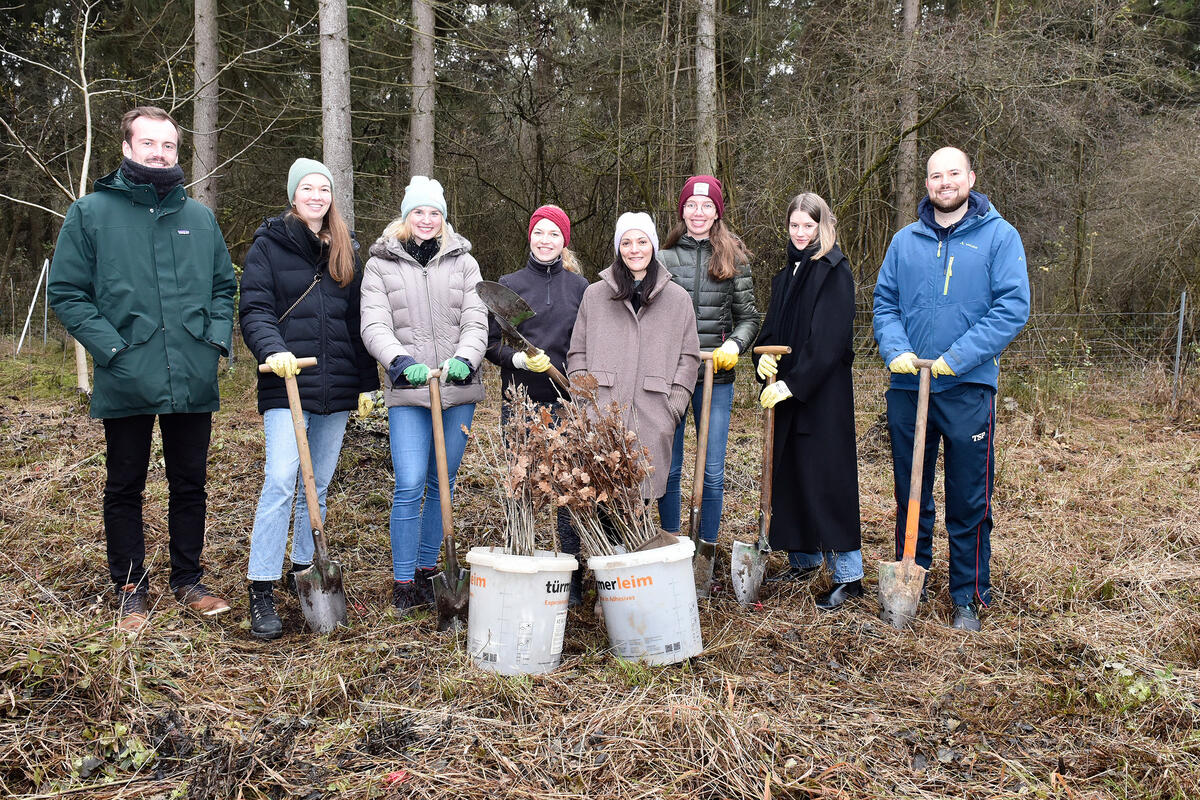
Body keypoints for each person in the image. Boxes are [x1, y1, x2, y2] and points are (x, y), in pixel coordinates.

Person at [48, 106, 237, 633]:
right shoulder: (90, 213)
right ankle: (131, 586)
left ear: (179, 151)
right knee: (126, 483)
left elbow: (224, 287)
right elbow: (66, 291)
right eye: (149, 144)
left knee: (190, 482)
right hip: (127, 371)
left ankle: (188, 579)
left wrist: (213, 340)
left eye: (169, 146)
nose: (160, 153)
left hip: (192, 375)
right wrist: (112, 349)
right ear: (128, 149)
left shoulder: (198, 218)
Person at [873, 146, 1030, 631]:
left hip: (967, 390)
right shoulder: (905, 241)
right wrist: (895, 349)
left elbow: (1011, 307)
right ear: (926, 184)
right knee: (911, 495)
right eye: (936, 175)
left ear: (971, 178)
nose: (945, 183)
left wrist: (955, 359)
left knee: (968, 499)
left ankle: (968, 595)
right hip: (908, 387)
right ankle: (910, 584)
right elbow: (885, 303)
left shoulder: (999, 238)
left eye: (954, 174)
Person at [238, 158, 379, 639]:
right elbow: (254, 308)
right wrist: (273, 351)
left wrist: (366, 387)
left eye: (324, 189)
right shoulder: (268, 245)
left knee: (314, 487)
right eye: (308, 189)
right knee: (280, 480)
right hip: (287, 381)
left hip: (334, 385)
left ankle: (304, 570)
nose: (317, 196)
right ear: (294, 195)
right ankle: (260, 586)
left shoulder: (345, 248)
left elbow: (357, 324)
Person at [360, 175, 488, 615]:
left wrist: (466, 358)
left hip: (457, 388)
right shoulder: (380, 264)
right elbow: (374, 325)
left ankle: (428, 569)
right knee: (410, 482)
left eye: (435, 212)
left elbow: (477, 319)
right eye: (419, 211)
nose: (427, 219)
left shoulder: (465, 262)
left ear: (444, 218)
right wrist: (399, 362)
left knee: (442, 484)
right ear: (406, 215)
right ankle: (402, 580)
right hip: (409, 390)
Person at [753, 193, 863, 610]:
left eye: (809, 226)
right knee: (793, 475)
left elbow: (830, 341)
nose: (801, 233)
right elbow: (770, 331)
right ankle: (803, 559)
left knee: (828, 479)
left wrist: (794, 384)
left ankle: (850, 576)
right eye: (795, 226)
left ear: (823, 226)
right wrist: (761, 359)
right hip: (786, 396)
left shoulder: (834, 272)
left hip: (822, 397)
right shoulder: (786, 276)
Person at [484, 205, 589, 605]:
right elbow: (492, 344)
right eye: (539, 232)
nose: (545, 240)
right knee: (521, 484)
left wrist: (575, 378)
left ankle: (571, 570)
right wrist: (519, 360)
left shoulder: (580, 288)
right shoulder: (510, 286)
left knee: (567, 488)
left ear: (565, 240)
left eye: (554, 234)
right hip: (521, 401)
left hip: (566, 401)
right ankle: (521, 561)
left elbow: (586, 343)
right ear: (530, 235)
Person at [655, 176, 759, 578]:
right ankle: (668, 544)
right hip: (671, 380)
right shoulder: (662, 258)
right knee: (670, 466)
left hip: (717, 379)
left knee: (712, 469)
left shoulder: (734, 258)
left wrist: (735, 344)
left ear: (717, 212)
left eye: (707, 206)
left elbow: (749, 317)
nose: (699, 213)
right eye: (692, 206)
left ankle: (705, 555)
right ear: (682, 210)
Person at [567, 212, 700, 505]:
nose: (634, 249)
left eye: (642, 241)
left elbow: (689, 359)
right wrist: (584, 401)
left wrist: (673, 408)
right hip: (601, 412)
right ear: (618, 248)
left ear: (653, 245)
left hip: (652, 416)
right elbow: (577, 353)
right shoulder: (594, 295)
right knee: (599, 502)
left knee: (641, 505)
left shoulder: (678, 299)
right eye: (626, 242)